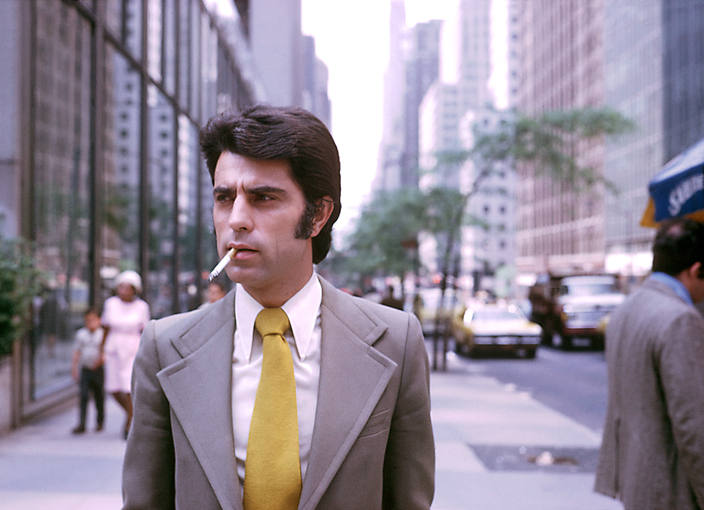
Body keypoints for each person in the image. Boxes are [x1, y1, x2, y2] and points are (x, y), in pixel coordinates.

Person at [122, 105, 434, 510]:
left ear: (318, 215)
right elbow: (145, 500)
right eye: (224, 198)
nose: (236, 219)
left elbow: (409, 499)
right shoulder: (165, 346)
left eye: (263, 198)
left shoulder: (395, 342)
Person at [595, 218, 704, 510]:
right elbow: (694, 425)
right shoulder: (681, 320)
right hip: (673, 491)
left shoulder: (626, 310)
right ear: (695, 270)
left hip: (637, 483)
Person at [101, 270, 150, 439]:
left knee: (128, 387)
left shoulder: (142, 306)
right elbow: (105, 327)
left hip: (132, 348)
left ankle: (130, 422)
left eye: (128, 288)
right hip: (114, 347)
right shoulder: (111, 304)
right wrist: (101, 349)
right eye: (121, 287)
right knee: (113, 387)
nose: (124, 291)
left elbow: (144, 330)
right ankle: (133, 415)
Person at [70, 308, 105, 434]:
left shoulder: (102, 334)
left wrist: (101, 361)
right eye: (88, 320)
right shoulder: (81, 334)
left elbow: (106, 351)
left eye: (93, 320)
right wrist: (74, 368)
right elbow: (77, 351)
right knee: (83, 395)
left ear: (99, 320)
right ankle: (82, 423)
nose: (90, 323)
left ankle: (100, 421)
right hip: (85, 368)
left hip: (98, 369)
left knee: (99, 395)